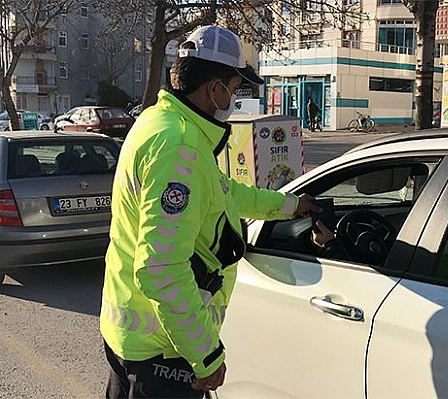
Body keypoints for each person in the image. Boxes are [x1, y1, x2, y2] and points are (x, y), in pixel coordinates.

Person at [100, 25, 320, 399]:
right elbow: (160, 269)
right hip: (163, 349)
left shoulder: (161, 123)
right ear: (215, 88)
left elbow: (223, 193)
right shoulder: (180, 146)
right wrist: (206, 355)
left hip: (132, 333)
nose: (233, 98)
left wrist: (290, 205)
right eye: (234, 89)